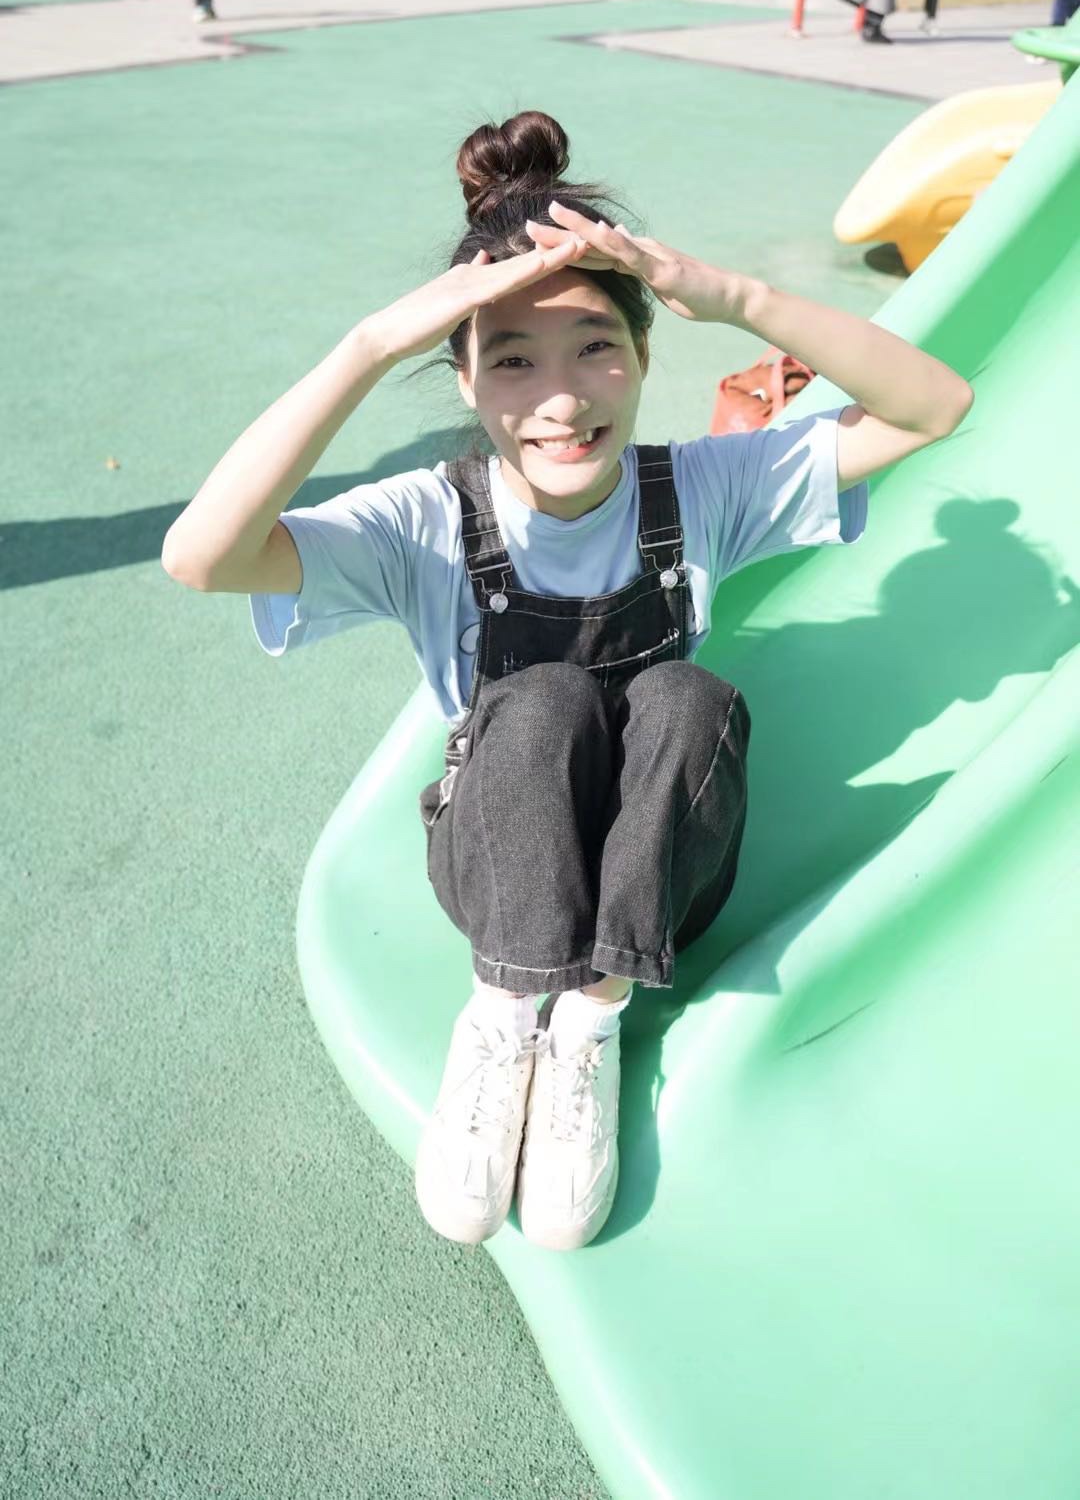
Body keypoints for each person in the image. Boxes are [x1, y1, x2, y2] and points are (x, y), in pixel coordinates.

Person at [161, 109, 974, 1252]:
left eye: (596, 346)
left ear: (642, 353)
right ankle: (503, 1021)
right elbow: (201, 557)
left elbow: (935, 407)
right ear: (461, 377)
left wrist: (736, 298)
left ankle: (590, 1028)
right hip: (498, 867)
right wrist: (367, 347)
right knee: (543, 698)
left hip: (660, 877)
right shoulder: (427, 521)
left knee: (688, 700)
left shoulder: (698, 490)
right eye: (511, 361)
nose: (560, 399)